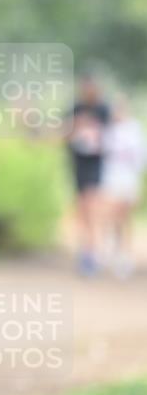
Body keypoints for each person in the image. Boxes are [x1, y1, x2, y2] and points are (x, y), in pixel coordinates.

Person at [65, 75, 111, 275]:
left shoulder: (103, 110)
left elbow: (110, 136)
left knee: (92, 208)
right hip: (78, 164)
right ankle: (86, 252)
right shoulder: (76, 108)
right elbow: (65, 131)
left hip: (95, 165)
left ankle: (93, 254)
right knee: (82, 211)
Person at [100, 95, 146, 278]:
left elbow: (141, 158)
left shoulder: (134, 129)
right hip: (111, 179)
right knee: (112, 215)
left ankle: (124, 255)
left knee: (124, 217)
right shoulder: (108, 130)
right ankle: (112, 249)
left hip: (129, 180)